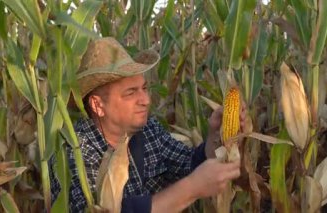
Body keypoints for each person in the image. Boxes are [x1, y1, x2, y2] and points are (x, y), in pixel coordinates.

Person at [50, 37, 246, 212]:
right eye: (131, 92)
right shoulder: (74, 151)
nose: (145, 100)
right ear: (97, 105)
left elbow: (189, 163)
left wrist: (215, 135)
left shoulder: (147, 129)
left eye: (144, 89)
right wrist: (191, 188)